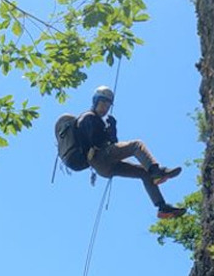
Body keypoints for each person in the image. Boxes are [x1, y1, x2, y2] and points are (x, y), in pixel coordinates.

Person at [77, 85, 186, 219]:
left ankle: (162, 208)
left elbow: (112, 144)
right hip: (99, 156)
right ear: (95, 101)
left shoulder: (97, 120)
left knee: (143, 172)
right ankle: (156, 171)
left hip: (104, 166)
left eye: (108, 105)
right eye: (103, 103)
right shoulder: (88, 117)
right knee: (136, 145)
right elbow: (95, 140)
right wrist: (107, 131)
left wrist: (112, 130)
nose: (105, 108)